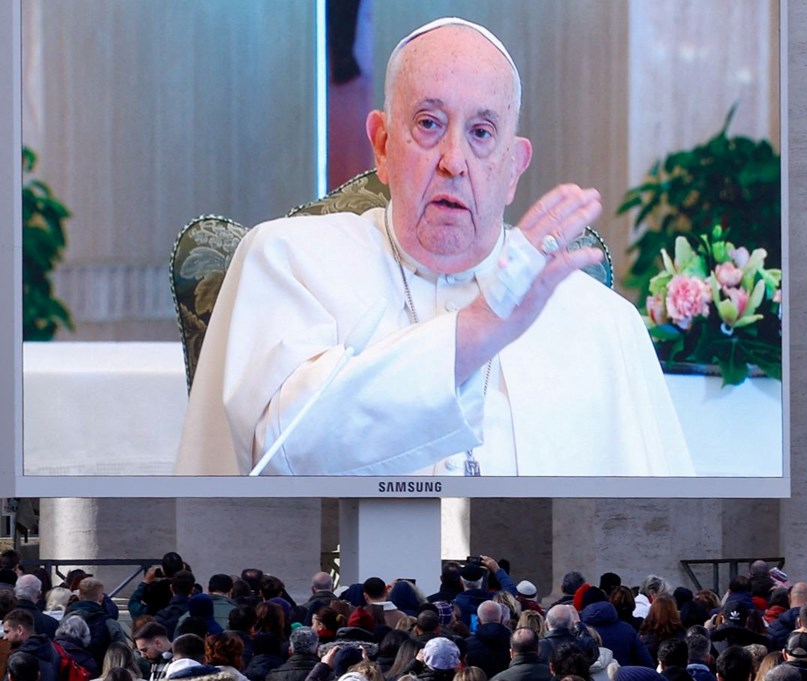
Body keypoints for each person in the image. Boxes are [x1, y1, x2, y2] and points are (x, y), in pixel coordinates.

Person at [175, 16, 691, 477]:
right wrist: (478, 330)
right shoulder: (287, 260)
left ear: (513, 168)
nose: (453, 160)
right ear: (382, 144)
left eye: (482, 132)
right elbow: (276, 455)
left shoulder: (604, 324)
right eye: (429, 124)